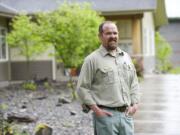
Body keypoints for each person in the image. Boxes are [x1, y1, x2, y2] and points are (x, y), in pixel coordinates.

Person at [77, 21, 140, 135]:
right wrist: (97, 110)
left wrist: (135, 105)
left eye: (115, 33)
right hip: (106, 117)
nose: (113, 36)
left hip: (126, 116)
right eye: (108, 33)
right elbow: (82, 88)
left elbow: (134, 83)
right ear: (100, 36)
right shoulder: (92, 60)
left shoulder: (125, 57)